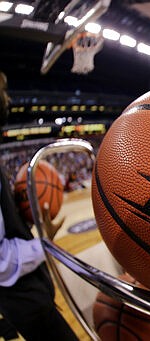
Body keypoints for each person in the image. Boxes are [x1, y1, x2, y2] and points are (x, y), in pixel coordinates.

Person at [0, 71, 78, 340]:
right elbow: (1, 262)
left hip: (25, 301)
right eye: (3, 90)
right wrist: (44, 241)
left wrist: (21, 215)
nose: (7, 98)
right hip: (22, 302)